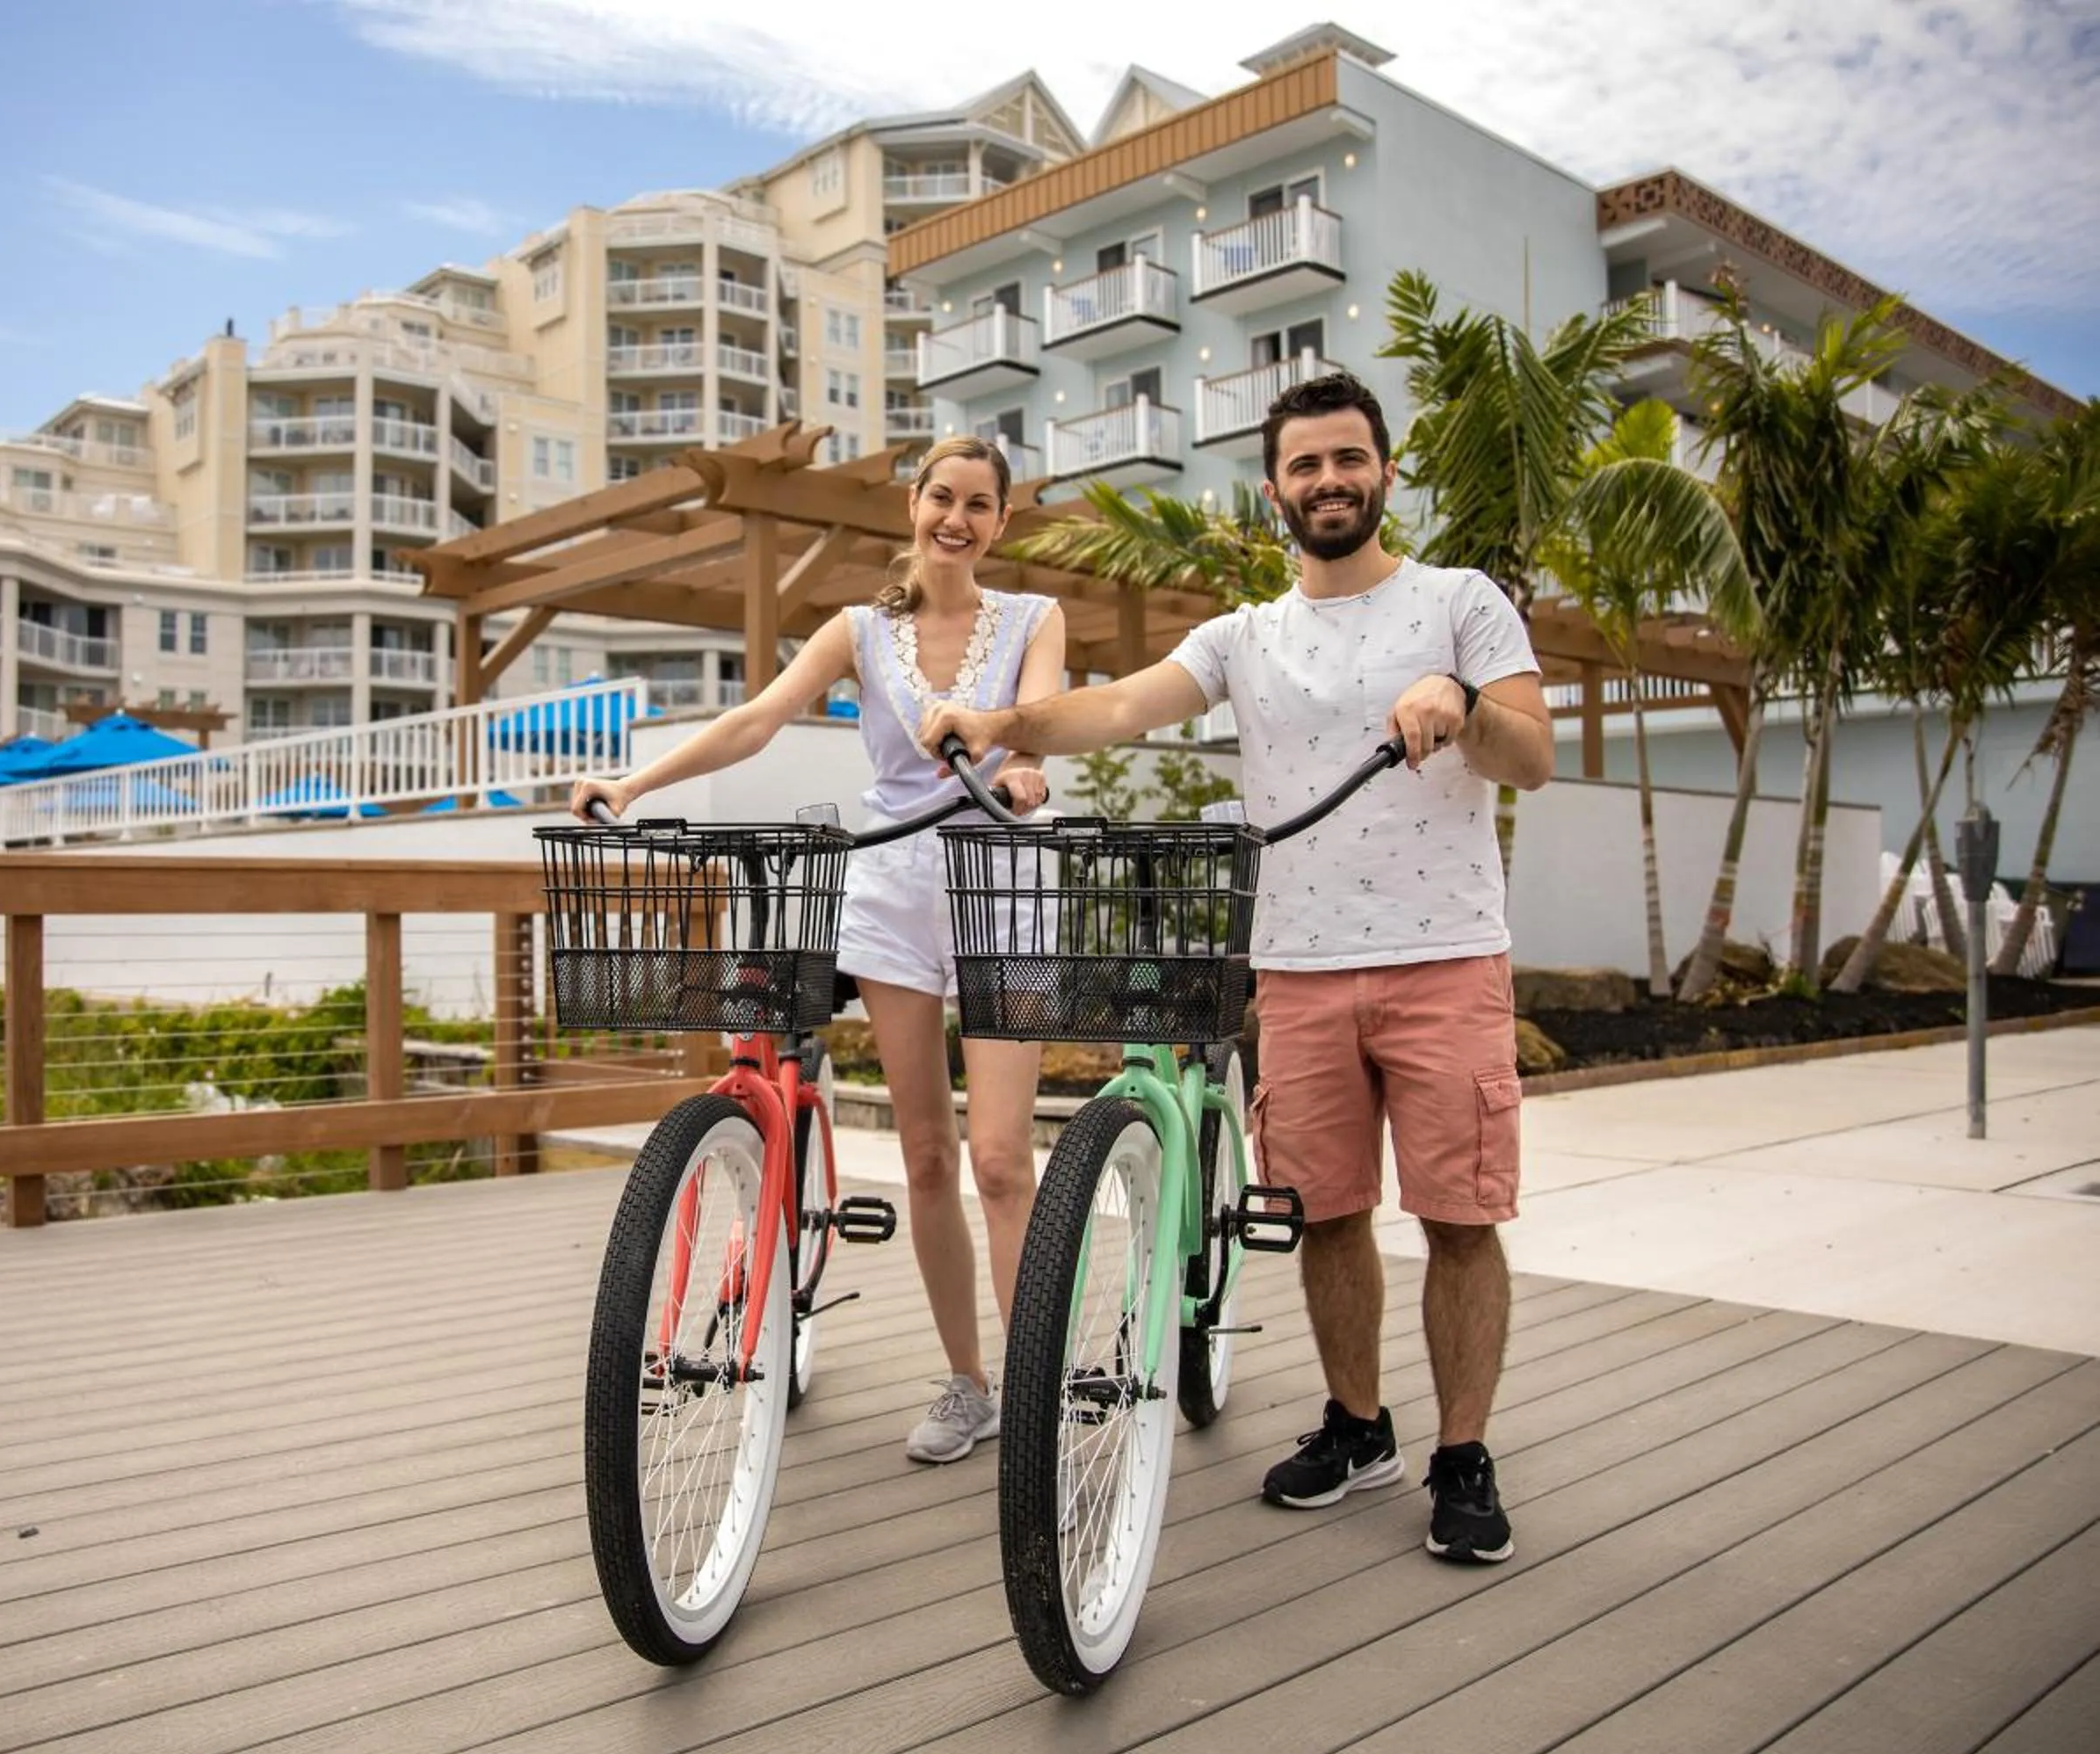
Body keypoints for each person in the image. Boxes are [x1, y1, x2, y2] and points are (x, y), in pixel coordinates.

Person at [918, 372, 1553, 1563]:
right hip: (1298, 966)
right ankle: (1357, 1427)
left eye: (1347, 460)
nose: (1329, 481)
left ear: (1385, 474)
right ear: (1276, 489)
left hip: (1445, 959)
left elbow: (1532, 756)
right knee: (1326, 1215)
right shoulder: (1245, 636)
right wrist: (1002, 725)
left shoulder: (1462, 604)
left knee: (1462, 1220)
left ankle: (1462, 1454)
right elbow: (1113, 710)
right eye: (1306, 465)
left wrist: (1460, 702)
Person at [573, 436, 1068, 1465]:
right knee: (928, 1156)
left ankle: (1034, 1391)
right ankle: (970, 1383)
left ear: (1001, 522)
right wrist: (633, 787)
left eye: (980, 505)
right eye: (943, 497)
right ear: (913, 503)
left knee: (1001, 1158)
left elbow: (1042, 724)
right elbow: (757, 719)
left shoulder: (1033, 619)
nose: (957, 520)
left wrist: (1023, 772)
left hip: (1004, 888)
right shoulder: (859, 629)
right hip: (890, 891)